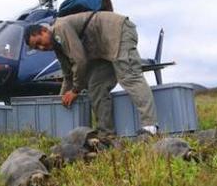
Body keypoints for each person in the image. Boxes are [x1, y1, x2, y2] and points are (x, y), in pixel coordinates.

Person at [24, 11, 158, 134]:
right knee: (96, 86)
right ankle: (106, 134)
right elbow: (68, 76)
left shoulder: (60, 28)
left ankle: (150, 127)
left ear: (44, 30)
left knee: (129, 77)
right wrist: (60, 101)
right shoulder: (58, 47)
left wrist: (75, 91)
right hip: (102, 50)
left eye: (39, 42)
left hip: (117, 32)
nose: (41, 47)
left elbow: (80, 60)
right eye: (37, 48)